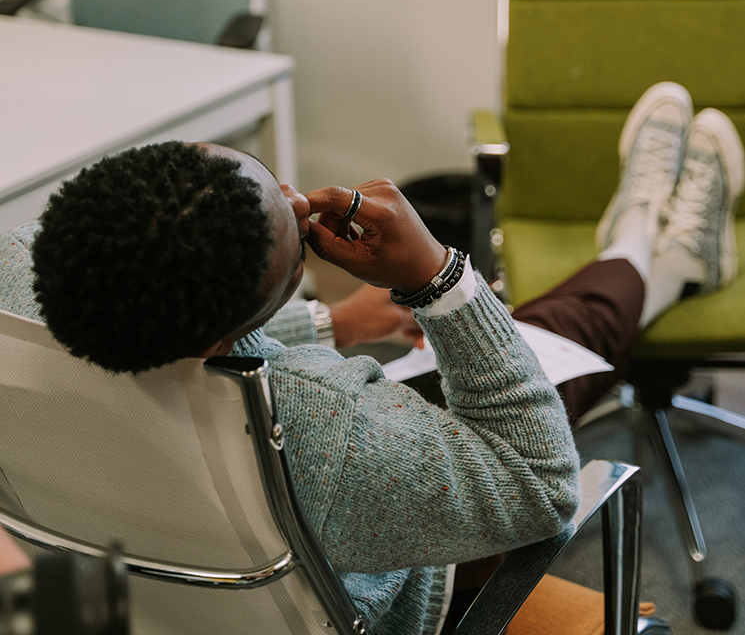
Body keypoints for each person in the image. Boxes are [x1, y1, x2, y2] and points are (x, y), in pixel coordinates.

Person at [0, 81, 741, 634]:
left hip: (145, 578)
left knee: (535, 332)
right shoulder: (330, 426)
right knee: (549, 342)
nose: (294, 198)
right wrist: (441, 282)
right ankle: (653, 247)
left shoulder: (18, 270)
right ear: (223, 336)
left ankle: (653, 247)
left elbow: (173, 324)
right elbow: (539, 482)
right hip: (390, 583)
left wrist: (331, 323)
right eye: (286, 235)